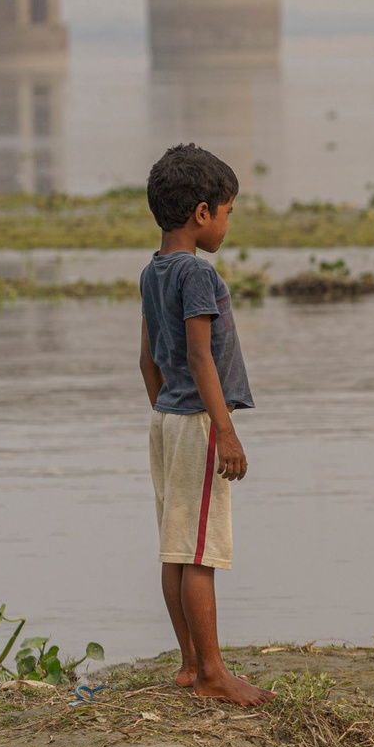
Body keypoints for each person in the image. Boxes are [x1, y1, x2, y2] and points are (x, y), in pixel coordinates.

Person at [138, 143, 273, 706]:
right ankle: (213, 673)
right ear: (201, 213)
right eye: (227, 212)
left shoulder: (153, 270)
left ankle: (191, 665)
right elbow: (200, 357)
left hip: (168, 421)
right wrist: (225, 431)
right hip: (195, 425)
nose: (226, 223)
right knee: (200, 552)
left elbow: (147, 360)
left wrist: (166, 408)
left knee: (176, 548)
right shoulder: (196, 272)